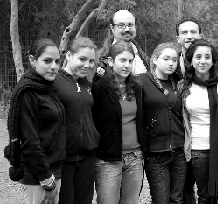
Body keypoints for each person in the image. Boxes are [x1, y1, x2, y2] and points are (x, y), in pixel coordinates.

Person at [176, 17, 218, 203]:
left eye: (207, 57)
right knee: (204, 196)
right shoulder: (183, 87)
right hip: (198, 149)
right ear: (191, 60)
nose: (203, 61)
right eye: (198, 57)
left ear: (213, 60)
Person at [4, 38, 65, 204]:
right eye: (47, 61)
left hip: (53, 168)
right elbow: (29, 141)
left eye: (57, 61)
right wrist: (47, 181)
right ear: (32, 60)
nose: (54, 66)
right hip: (38, 175)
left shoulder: (46, 87)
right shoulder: (27, 92)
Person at [91, 41, 146, 203]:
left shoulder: (137, 87)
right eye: (122, 60)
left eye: (130, 61)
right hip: (108, 160)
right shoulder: (98, 88)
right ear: (110, 61)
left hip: (135, 158)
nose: (127, 65)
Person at [53, 37, 100, 204]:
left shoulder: (87, 84)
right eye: (82, 59)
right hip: (63, 158)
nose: (87, 65)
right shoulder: (54, 81)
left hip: (87, 156)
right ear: (68, 56)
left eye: (91, 61)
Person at [140, 42, 186, 204]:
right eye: (166, 59)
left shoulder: (178, 83)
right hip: (156, 153)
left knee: (177, 199)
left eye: (174, 60)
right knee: (161, 200)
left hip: (179, 151)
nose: (170, 63)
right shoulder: (142, 81)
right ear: (154, 60)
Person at [97, 10, 149, 75]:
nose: (127, 29)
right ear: (112, 28)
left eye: (130, 25)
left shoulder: (141, 54)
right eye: (121, 25)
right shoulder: (99, 58)